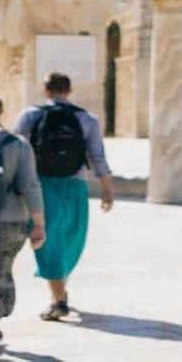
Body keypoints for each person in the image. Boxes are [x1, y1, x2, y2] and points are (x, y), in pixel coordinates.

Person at [13, 73, 114, 321]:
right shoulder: (86, 118)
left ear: (46, 91)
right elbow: (97, 156)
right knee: (70, 239)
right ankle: (59, 296)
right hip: (76, 185)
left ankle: (58, 298)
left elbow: (15, 152)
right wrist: (107, 189)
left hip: (40, 185)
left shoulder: (30, 115)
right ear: (69, 91)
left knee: (47, 240)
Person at [0, 94, 45, 359]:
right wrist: (39, 223)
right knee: (0, 274)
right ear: (1, 112)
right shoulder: (19, 145)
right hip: (12, 221)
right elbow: (30, 185)